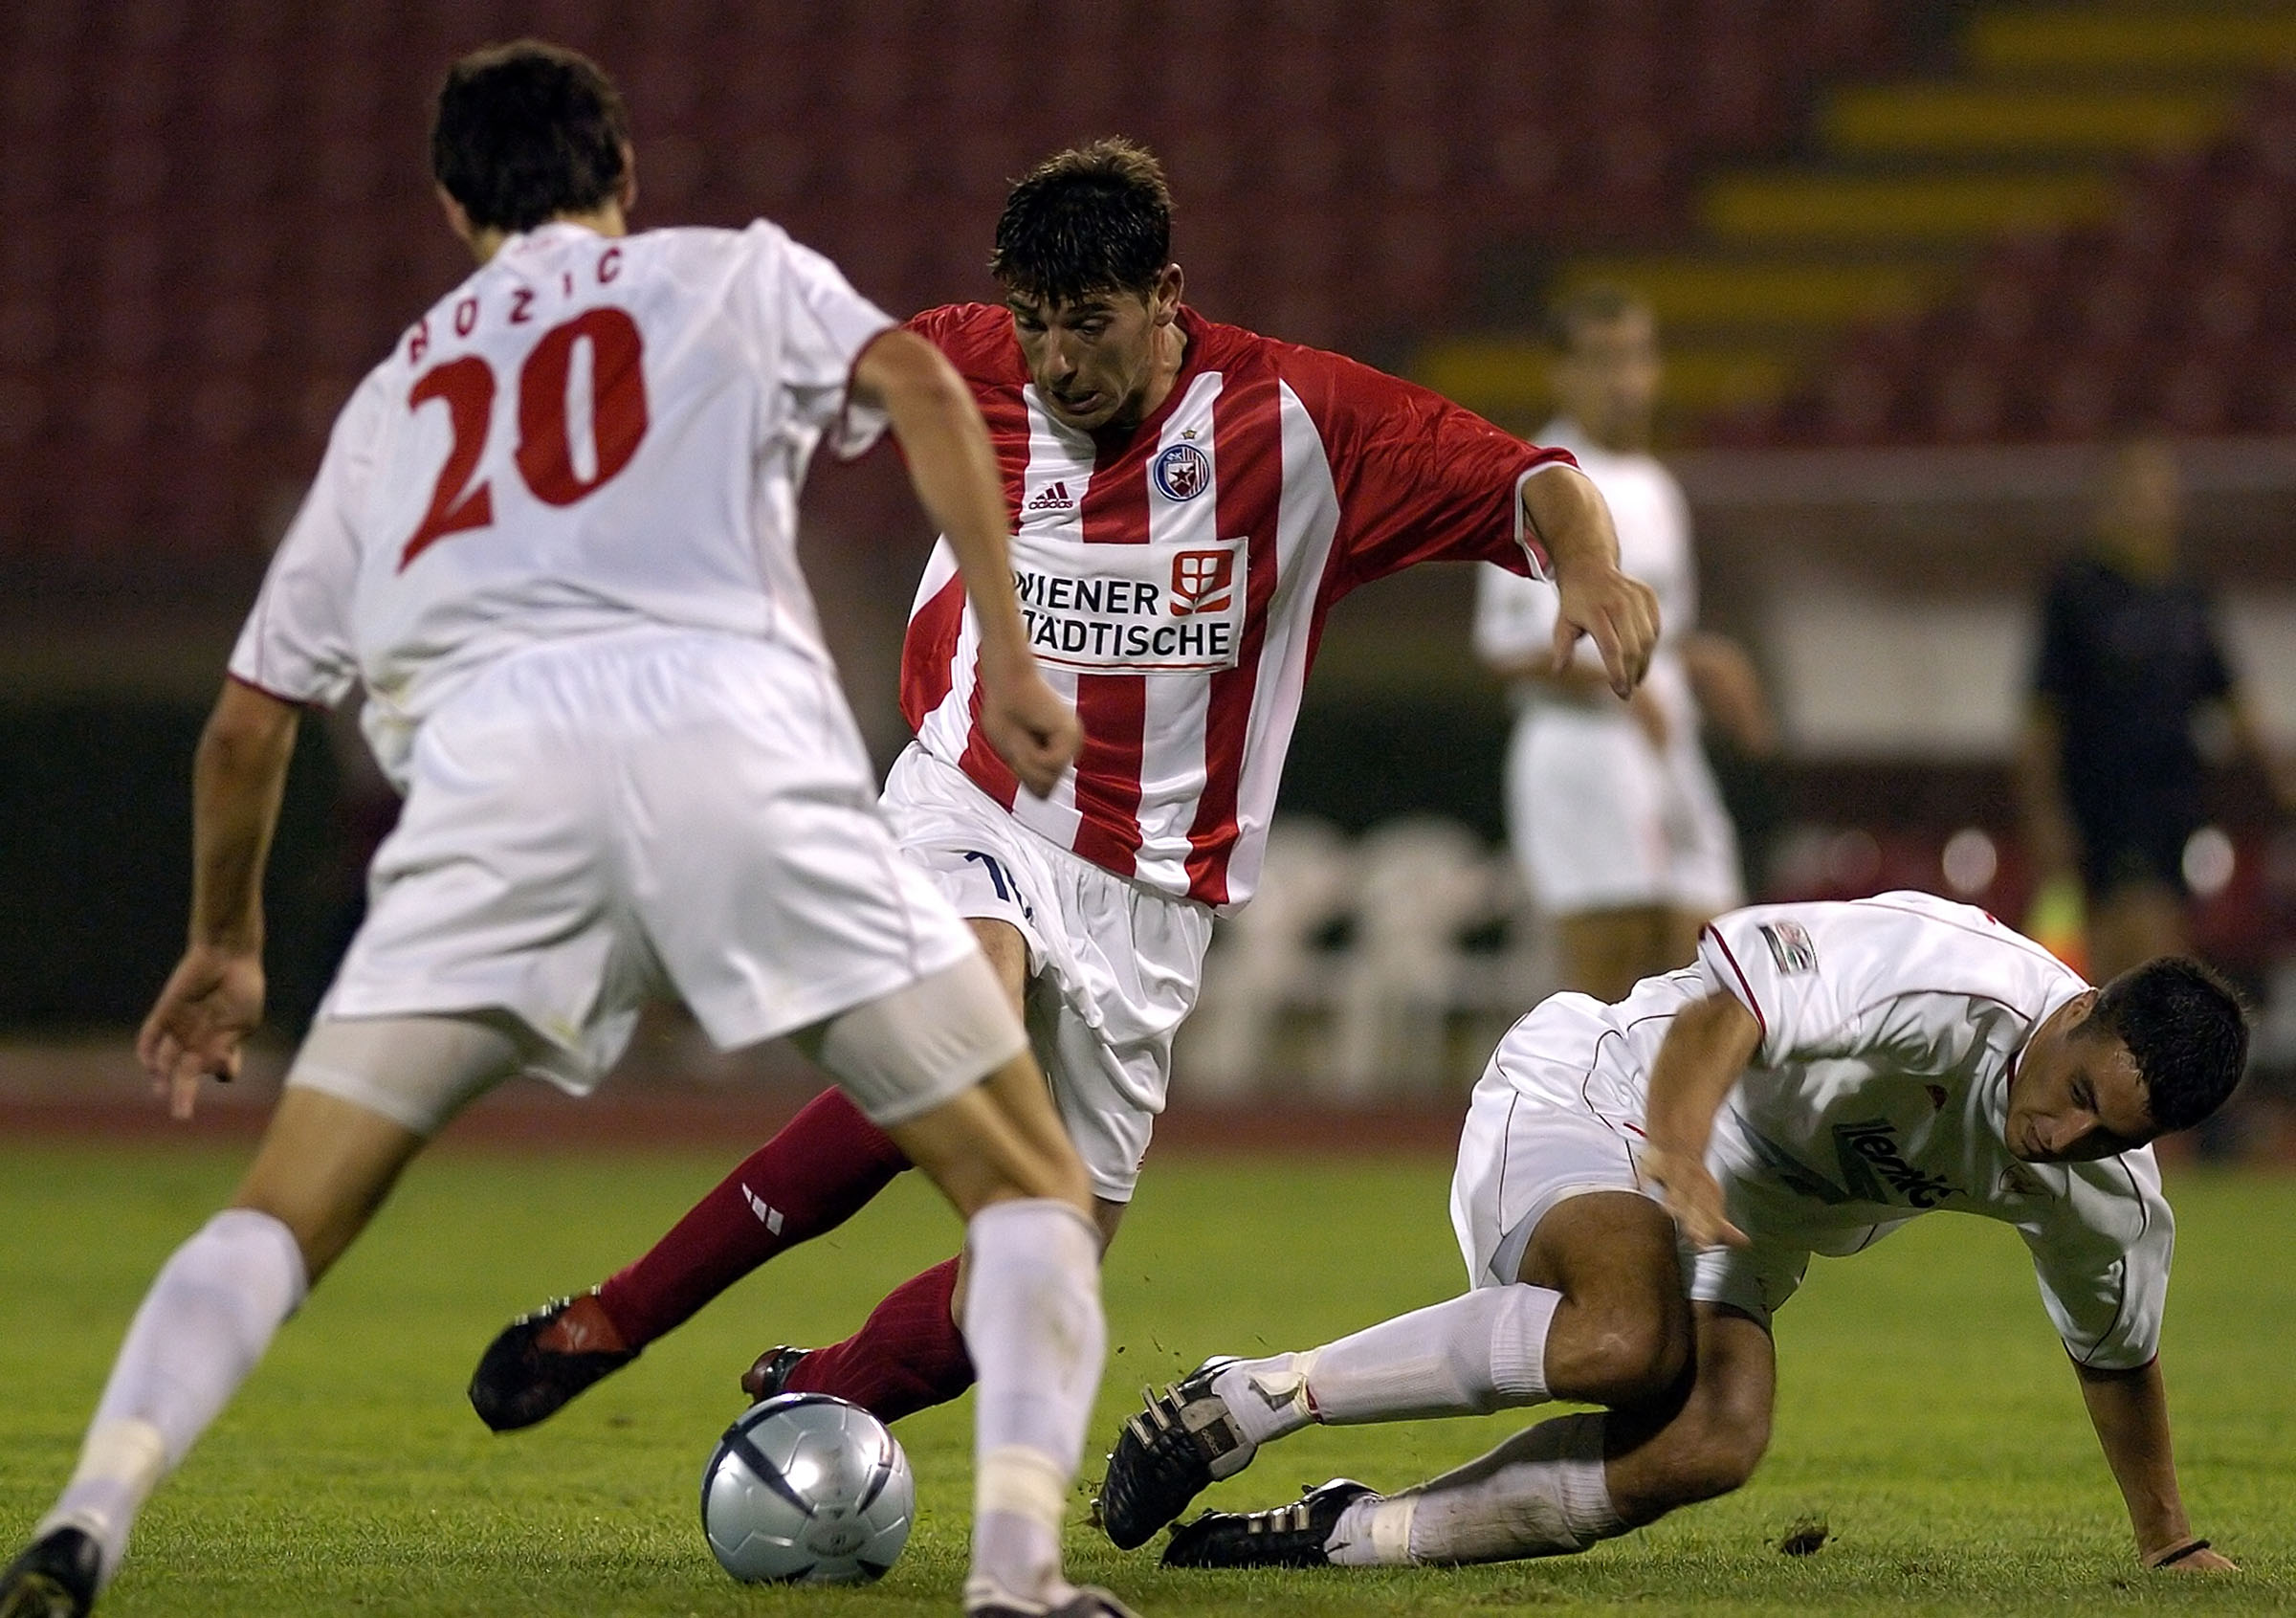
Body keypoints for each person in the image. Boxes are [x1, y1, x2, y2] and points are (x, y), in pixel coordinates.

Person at [0, 43, 1137, 1618]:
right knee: (1030, 1189)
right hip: (737, 747)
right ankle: (1015, 1578)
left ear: (455, 201)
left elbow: (250, 722)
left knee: (283, 1210)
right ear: (624, 178)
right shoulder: (730, 273)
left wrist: (223, 944)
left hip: (491, 786)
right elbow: (929, 385)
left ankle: (87, 1516)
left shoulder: (398, 392)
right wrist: (1010, 649)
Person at [467, 139, 1661, 1439]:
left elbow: (1532, 478)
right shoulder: (962, 362)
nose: (1055, 361)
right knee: (961, 1016)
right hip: (971, 797)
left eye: (1088, 323)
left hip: (1153, 895)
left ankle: (817, 1395)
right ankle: (618, 1314)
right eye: (1034, 323)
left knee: (1035, 1290)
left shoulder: (1302, 423)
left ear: (1166, 297)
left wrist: (1589, 568)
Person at [1097, 891, 2244, 1578]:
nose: (2062, 1136)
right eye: (2081, 1093)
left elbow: (2116, 1351)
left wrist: (2170, 1540)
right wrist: (1681, 1151)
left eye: (2107, 1136)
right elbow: (1722, 1005)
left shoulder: (2107, 1194)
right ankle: (1246, 1397)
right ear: (2080, 1008)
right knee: (1625, 1338)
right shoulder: (1947, 976)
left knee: (1716, 1438)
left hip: (1732, 1215)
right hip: (1611, 1093)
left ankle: (1353, 1534)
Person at [1474, 284, 1773, 1002]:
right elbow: (1506, 647)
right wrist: (1615, 685)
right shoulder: (1543, 481)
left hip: (1666, 751)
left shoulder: (1657, 487)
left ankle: (1676, 1120)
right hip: (1582, 755)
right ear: (1563, 372)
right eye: (1603, 359)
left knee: (1713, 973)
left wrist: (1702, 659)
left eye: (1637, 356)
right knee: (1611, 990)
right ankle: (1586, 1117)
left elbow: (1659, 628)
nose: (1625, 378)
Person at [2017, 435, 2296, 984]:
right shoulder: (2077, 593)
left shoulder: (2189, 596)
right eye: (2136, 489)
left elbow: (2231, 698)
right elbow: (2041, 720)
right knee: (2134, 945)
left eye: (2161, 490)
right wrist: (2044, 815)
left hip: (2173, 801)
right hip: (2104, 802)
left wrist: (2280, 775)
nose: (2150, 503)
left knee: (2162, 943)